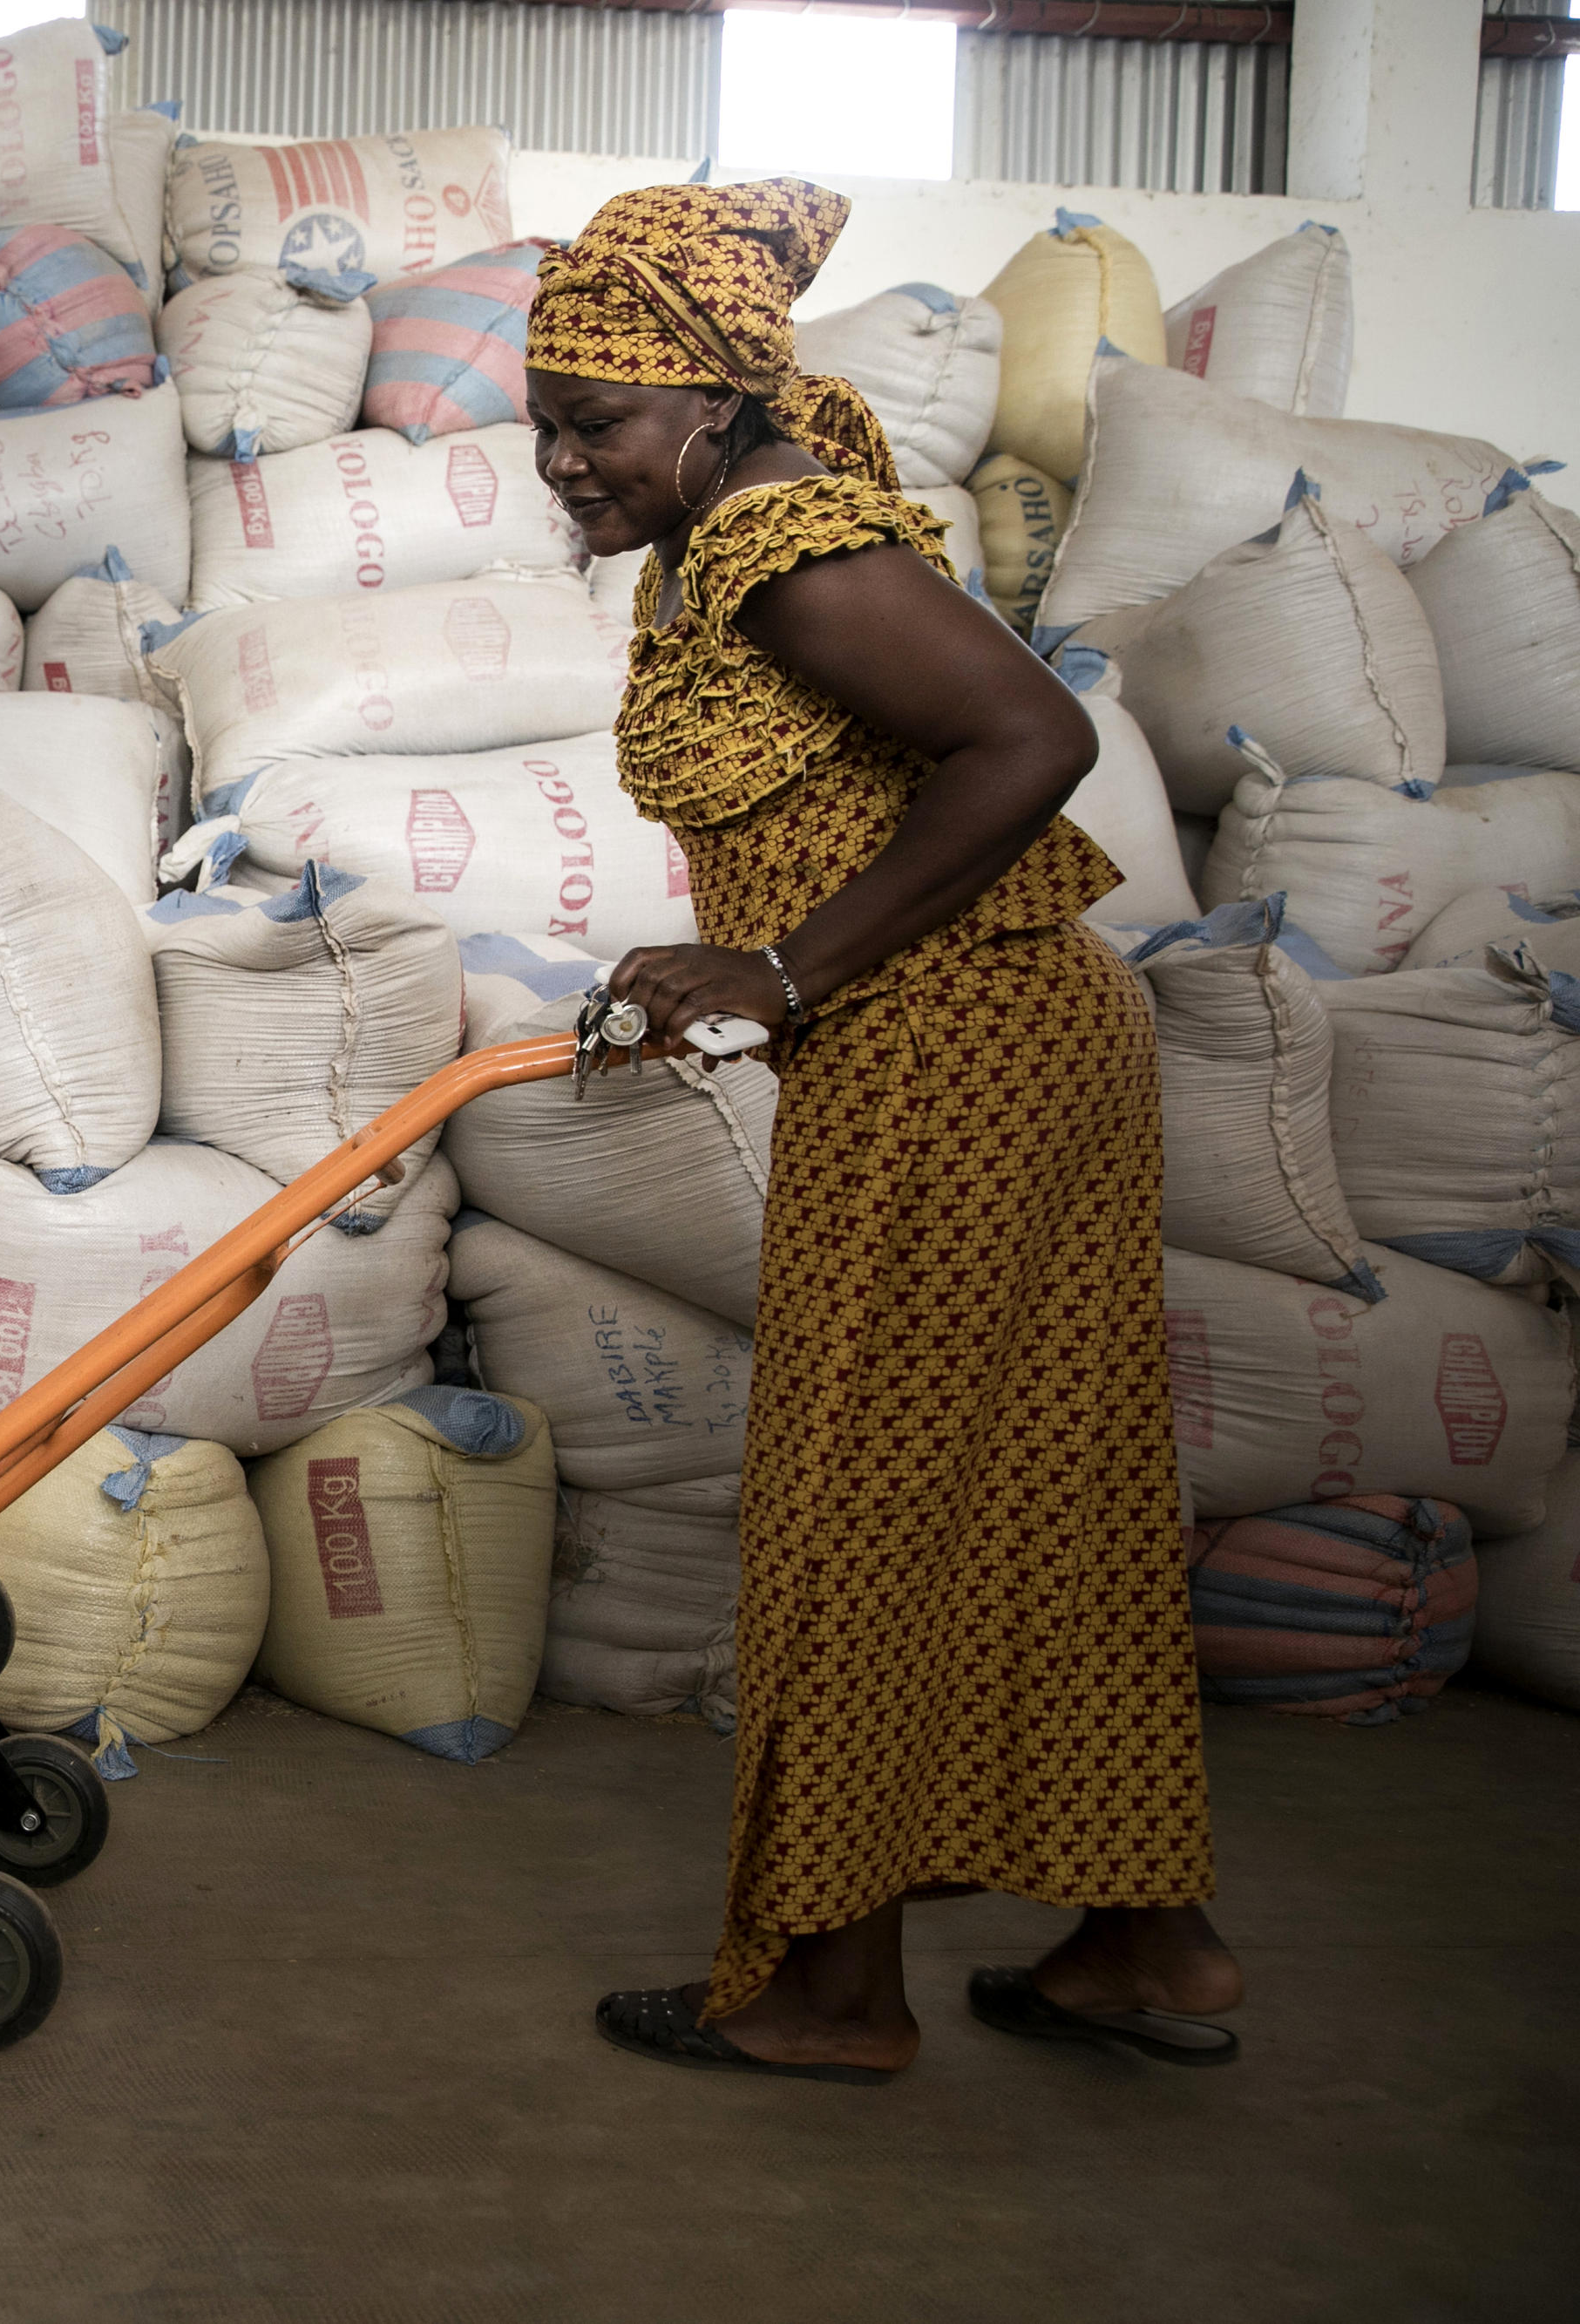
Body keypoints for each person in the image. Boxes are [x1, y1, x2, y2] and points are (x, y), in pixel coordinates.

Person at [521, 179, 1242, 2083]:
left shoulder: (777, 538)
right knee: (1044, 1487)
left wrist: (780, 967)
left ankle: (832, 1990)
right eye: (544, 424)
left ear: (701, 402)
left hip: (961, 1040)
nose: (561, 463)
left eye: (591, 423)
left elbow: (1031, 738)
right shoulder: (727, 528)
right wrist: (766, 964)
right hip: (983, 1030)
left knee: (863, 1487)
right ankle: (1142, 1943)